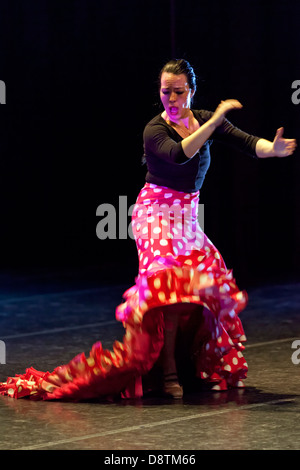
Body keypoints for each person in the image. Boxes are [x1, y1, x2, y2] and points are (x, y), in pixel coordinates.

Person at [0, 59, 296, 401]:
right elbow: (180, 154)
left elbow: (247, 142)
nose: (171, 98)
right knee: (166, 290)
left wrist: (271, 149)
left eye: (178, 91)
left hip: (185, 217)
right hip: (154, 214)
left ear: (192, 91)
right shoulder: (154, 130)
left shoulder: (202, 121)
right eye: (165, 91)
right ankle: (168, 373)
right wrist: (214, 122)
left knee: (207, 279)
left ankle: (191, 366)